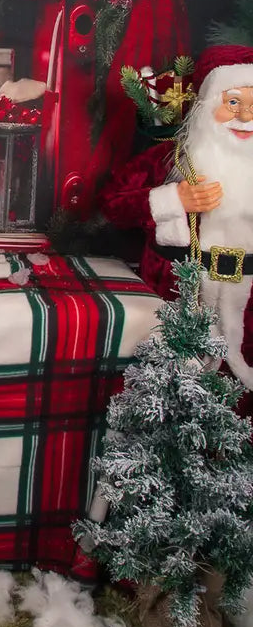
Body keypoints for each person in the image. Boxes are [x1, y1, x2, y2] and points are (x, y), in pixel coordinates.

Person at [100, 44, 253, 388]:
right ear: (210, 103)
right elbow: (112, 202)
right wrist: (174, 199)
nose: (245, 116)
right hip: (176, 303)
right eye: (233, 103)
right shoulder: (171, 160)